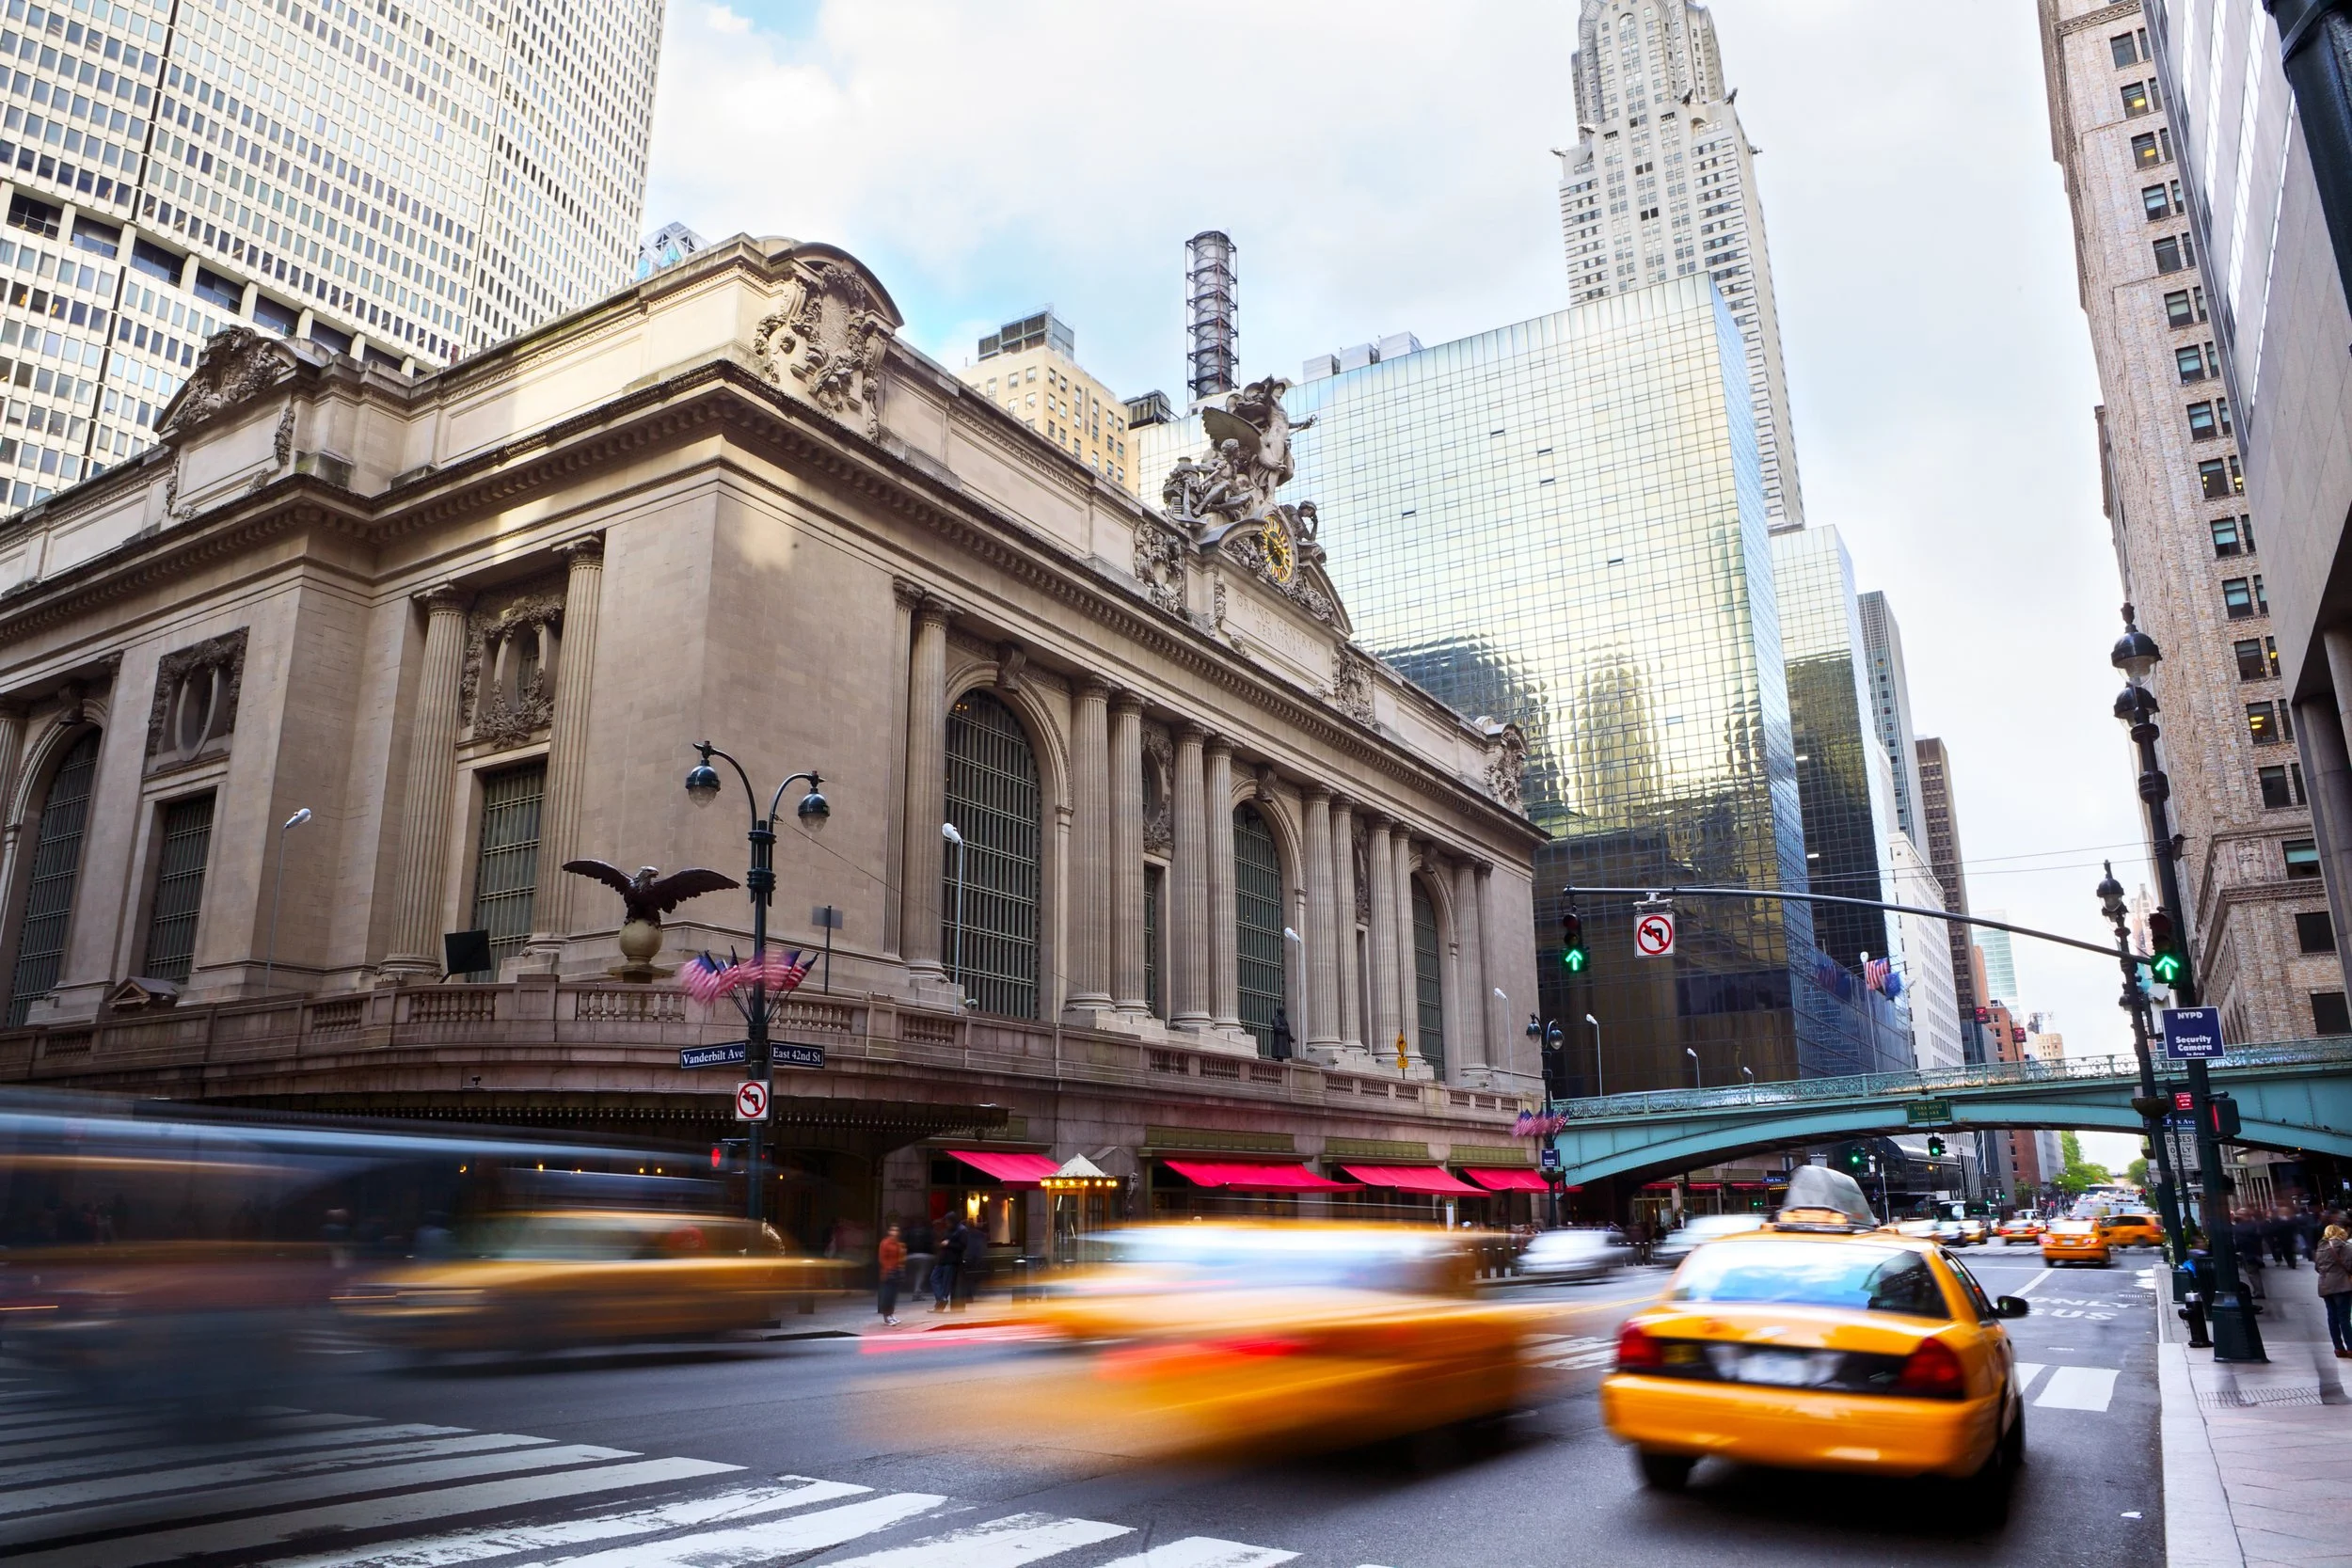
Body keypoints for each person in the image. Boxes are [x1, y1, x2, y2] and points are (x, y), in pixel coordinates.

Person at [2316, 1222, 2352, 1359]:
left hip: (2325, 1286)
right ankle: (2350, 1347)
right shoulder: (2344, 1247)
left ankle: (2338, 1348)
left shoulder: (2320, 1248)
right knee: (2344, 1317)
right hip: (2341, 1285)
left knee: (2332, 1317)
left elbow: (2317, 1267)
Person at [930, 1217, 966, 1312]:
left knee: (945, 1282)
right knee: (934, 1278)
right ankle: (941, 1298)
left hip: (950, 1260)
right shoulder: (947, 1231)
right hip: (942, 1259)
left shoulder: (960, 1230)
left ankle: (940, 1304)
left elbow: (962, 1246)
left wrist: (948, 1244)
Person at [2232, 1209, 2266, 1299]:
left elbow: (2239, 1241)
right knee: (2254, 1272)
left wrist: (2238, 1250)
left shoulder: (2239, 1227)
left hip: (2247, 1252)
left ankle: (2259, 1292)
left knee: (2252, 1273)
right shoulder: (2256, 1225)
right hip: (2256, 1251)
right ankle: (2258, 1290)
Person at [876, 1223, 905, 1326]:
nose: (894, 1232)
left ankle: (891, 1314)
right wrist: (888, 1269)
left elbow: (900, 1257)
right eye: (892, 1230)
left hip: (896, 1270)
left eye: (896, 1230)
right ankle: (886, 1315)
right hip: (888, 1271)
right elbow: (882, 1258)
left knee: (893, 1294)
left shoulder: (897, 1243)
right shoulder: (885, 1243)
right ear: (889, 1232)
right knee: (887, 1294)